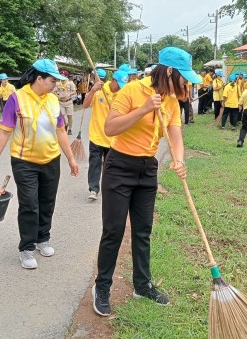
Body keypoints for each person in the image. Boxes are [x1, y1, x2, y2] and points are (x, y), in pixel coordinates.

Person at [92, 47, 198, 317]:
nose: (186, 84)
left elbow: (175, 136)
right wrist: (143, 109)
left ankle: (142, 284)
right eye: (184, 77)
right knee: (113, 231)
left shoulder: (172, 101)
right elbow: (110, 128)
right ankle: (102, 286)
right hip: (119, 166)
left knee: (143, 231)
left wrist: (180, 160)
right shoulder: (131, 91)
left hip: (147, 169)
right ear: (170, 71)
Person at [0, 59, 79, 270]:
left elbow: (61, 131)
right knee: (29, 204)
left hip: (51, 159)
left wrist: (71, 158)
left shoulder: (53, 101)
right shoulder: (16, 99)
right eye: (52, 80)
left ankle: (43, 238)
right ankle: (26, 247)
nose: (55, 85)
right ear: (39, 78)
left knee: (47, 201)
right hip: (24, 161)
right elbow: (4, 132)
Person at [84, 70, 129, 201]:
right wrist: (92, 90)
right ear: (113, 80)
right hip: (96, 135)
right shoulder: (99, 90)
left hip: (113, 138)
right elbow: (85, 105)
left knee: (110, 166)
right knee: (95, 164)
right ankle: (93, 189)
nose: (120, 88)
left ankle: (110, 189)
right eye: (119, 84)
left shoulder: (123, 95)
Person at [54, 70, 77, 135]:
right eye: (61, 75)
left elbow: (74, 91)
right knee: (62, 116)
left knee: (70, 116)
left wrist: (69, 94)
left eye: (63, 76)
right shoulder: (57, 83)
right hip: (61, 102)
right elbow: (55, 91)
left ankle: (70, 129)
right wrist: (57, 95)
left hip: (69, 102)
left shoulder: (70, 83)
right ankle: (65, 124)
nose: (62, 77)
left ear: (66, 76)